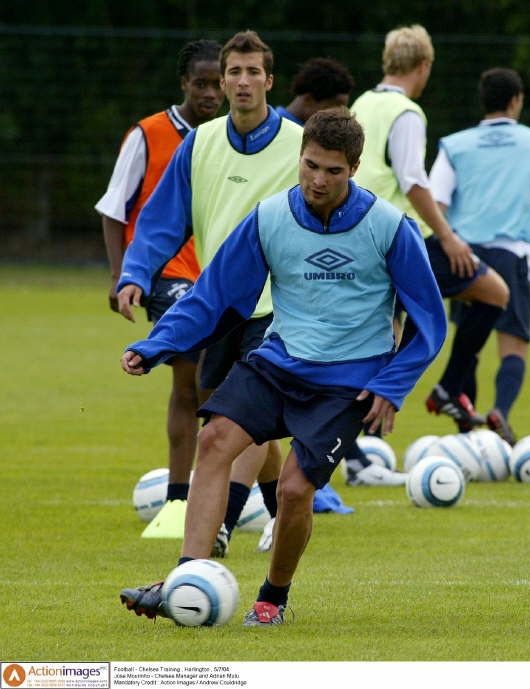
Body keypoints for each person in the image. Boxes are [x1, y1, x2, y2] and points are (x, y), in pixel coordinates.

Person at [118, 108, 447, 626]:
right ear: (300, 157)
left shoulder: (389, 228)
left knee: (295, 491)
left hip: (347, 383)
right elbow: (214, 297)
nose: (318, 180)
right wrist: (157, 344)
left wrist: (392, 386)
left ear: (354, 169)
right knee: (214, 440)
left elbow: (431, 323)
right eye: (310, 165)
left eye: (333, 171)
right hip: (277, 362)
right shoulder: (269, 217)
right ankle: (185, 580)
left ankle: (273, 597)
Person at [116, 30, 303, 555]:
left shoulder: (298, 142)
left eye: (253, 72)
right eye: (234, 73)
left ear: (269, 80)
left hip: (280, 305)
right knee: (244, 419)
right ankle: (280, 508)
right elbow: (159, 222)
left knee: (235, 417)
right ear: (222, 82)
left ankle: (218, 522)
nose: (243, 82)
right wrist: (135, 273)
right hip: (218, 304)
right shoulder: (199, 145)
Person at [351, 24, 509, 443]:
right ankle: (449, 387)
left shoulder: (362, 104)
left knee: (387, 335)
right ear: (423, 67)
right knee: (495, 293)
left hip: (364, 238)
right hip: (406, 240)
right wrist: (450, 236)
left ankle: (368, 448)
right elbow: (413, 181)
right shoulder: (406, 113)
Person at [96, 39, 224, 510]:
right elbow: (114, 209)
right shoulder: (149, 134)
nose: (211, 93)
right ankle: (178, 500)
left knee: (218, 381)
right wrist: (120, 274)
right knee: (191, 378)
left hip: (218, 273)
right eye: (201, 83)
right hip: (167, 273)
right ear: (184, 83)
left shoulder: (231, 138)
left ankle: (215, 493)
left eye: (218, 84)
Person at [429, 68, 530, 445]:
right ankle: (500, 412)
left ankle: (465, 428)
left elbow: (435, 202)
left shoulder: (455, 145)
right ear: (516, 100)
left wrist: (452, 241)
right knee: (513, 344)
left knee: (469, 340)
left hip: (465, 257)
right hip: (512, 254)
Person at [275, 57, 354, 126]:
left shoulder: (314, 134)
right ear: (309, 100)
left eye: (344, 110)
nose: (341, 117)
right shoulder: (272, 130)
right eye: (334, 110)